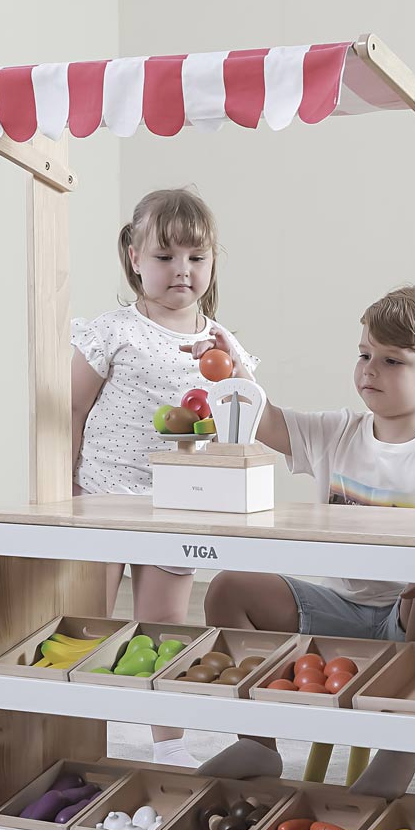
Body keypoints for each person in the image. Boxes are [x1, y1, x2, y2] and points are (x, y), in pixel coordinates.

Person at [190, 285, 415, 796]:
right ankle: (258, 742)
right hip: (337, 607)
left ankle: (399, 752)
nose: (370, 370)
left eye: (391, 360)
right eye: (364, 355)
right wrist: (236, 371)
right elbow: (267, 421)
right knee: (229, 586)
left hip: (408, 619)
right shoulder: (337, 432)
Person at [71, 187, 258, 768]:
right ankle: (77, 736)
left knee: (166, 624)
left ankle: (169, 743)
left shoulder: (220, 343)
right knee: (88, 622)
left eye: (197, 257)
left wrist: (237, 367)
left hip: (175, 502)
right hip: (100, 497)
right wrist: (63, 493)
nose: (182, 270)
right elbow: (72, 411)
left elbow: (246, 419)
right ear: (134, 257)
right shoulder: (114, 330)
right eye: (164, 256)